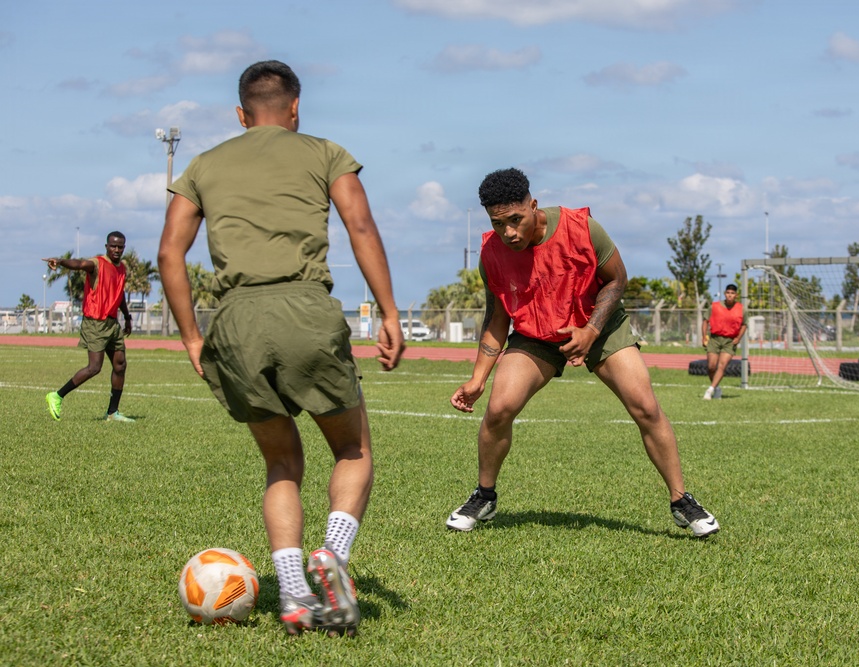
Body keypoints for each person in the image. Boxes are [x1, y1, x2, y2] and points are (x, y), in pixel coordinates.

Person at [157, 60, 404, 637]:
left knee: (280, 462)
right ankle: (333, 556)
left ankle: (292, 595)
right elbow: (361, 227)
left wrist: (193, 336)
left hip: (235, 320)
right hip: (305, 309)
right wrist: (389, 313)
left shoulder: (203, 164)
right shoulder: (324, 152)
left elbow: (170, 253)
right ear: (295, 108)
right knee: (352, 450)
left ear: (241, 115)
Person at [447, 168, 718, 538]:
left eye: (516, 220)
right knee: (499, 408)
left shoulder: (582, 228)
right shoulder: (492, 254)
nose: (509, 232)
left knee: (645, 406)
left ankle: (681, 501)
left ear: (533, 206)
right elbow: (497, 316)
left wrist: (591, 330)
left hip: (599, 323)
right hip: (538, 334)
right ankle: (484, 496)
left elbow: (617, 279)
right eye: (499, 224)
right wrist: (478, 378)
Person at [43, 232, 135, 422]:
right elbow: (79, 264)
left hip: (112, 323)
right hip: (95, 322)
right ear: (106, 246)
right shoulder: (97, 263)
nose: (116, 250)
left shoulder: (122, 268)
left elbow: (120, 294)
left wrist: (127, 317)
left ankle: (112, 413)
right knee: (94, 367)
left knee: (120, 365)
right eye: (113, 246)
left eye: (120, 247)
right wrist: (60, 261)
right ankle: (57, 396)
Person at [701, 283, 747, 400]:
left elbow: (744, 325)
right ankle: (717, 388)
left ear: (736, 295)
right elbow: (705, 321)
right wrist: (704, 336)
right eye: (728, 293)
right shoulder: (714, 306)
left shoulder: (742, 309)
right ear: (725, 294)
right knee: (711, 367)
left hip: (730, 341)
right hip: (714, 339)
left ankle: (709, 390)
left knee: (721, 366)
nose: (730, 295)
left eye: (732, 293)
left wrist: (738, 338)